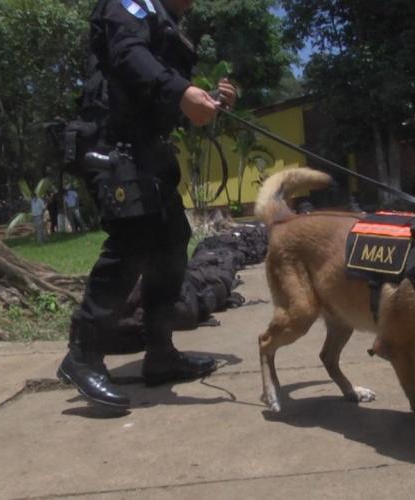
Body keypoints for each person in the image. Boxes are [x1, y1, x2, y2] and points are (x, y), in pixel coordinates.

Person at [57, 0, 237, 409]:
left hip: (148, 152)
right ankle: (82, 354)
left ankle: (160, 354)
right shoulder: (127, 4)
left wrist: (207, 100)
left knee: (173, 241)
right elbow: (128, 55)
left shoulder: (166, 22)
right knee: (131, 243)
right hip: (111, 142)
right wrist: (182, 91)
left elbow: (161, 88)